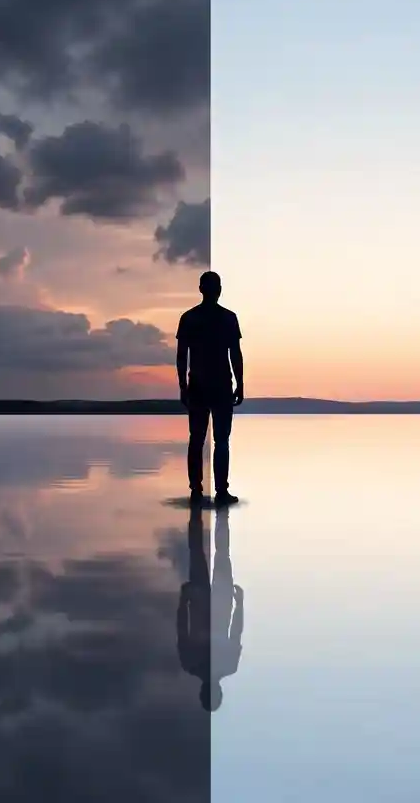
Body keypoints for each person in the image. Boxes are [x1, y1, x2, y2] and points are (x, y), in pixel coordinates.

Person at [176, 270, 243, 504]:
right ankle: (220, 491)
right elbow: (235, 354)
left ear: (201, 289)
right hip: (220, 386)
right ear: (219, 290)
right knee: (220, 440)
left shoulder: (189, 318)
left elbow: (181, 357)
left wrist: (182, 386)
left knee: (197, 438)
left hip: (199, 386)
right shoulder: (228, 318)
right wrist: (240, 383)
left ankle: (197, 490)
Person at [177, 502, 244, 712]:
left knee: (216, 553)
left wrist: (240, 606)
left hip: (212, 603)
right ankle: (205, 510)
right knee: (202, 553)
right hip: (208, 603)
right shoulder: (190, 664)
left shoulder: (227, 665)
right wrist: (183, 602)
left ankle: (215, 513)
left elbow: (236, 631)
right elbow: (181, 629)